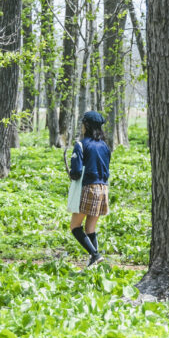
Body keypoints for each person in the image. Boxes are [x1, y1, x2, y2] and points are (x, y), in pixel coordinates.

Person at [67, 110, 112, 267]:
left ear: (86, 125)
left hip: (88, 188)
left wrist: (71, 173)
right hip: (103, 189)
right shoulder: (105, 146)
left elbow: (77, 172)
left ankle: (95, 255)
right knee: (90, 227)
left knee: (75, 226)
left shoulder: (81, 145)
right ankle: (94, 262)